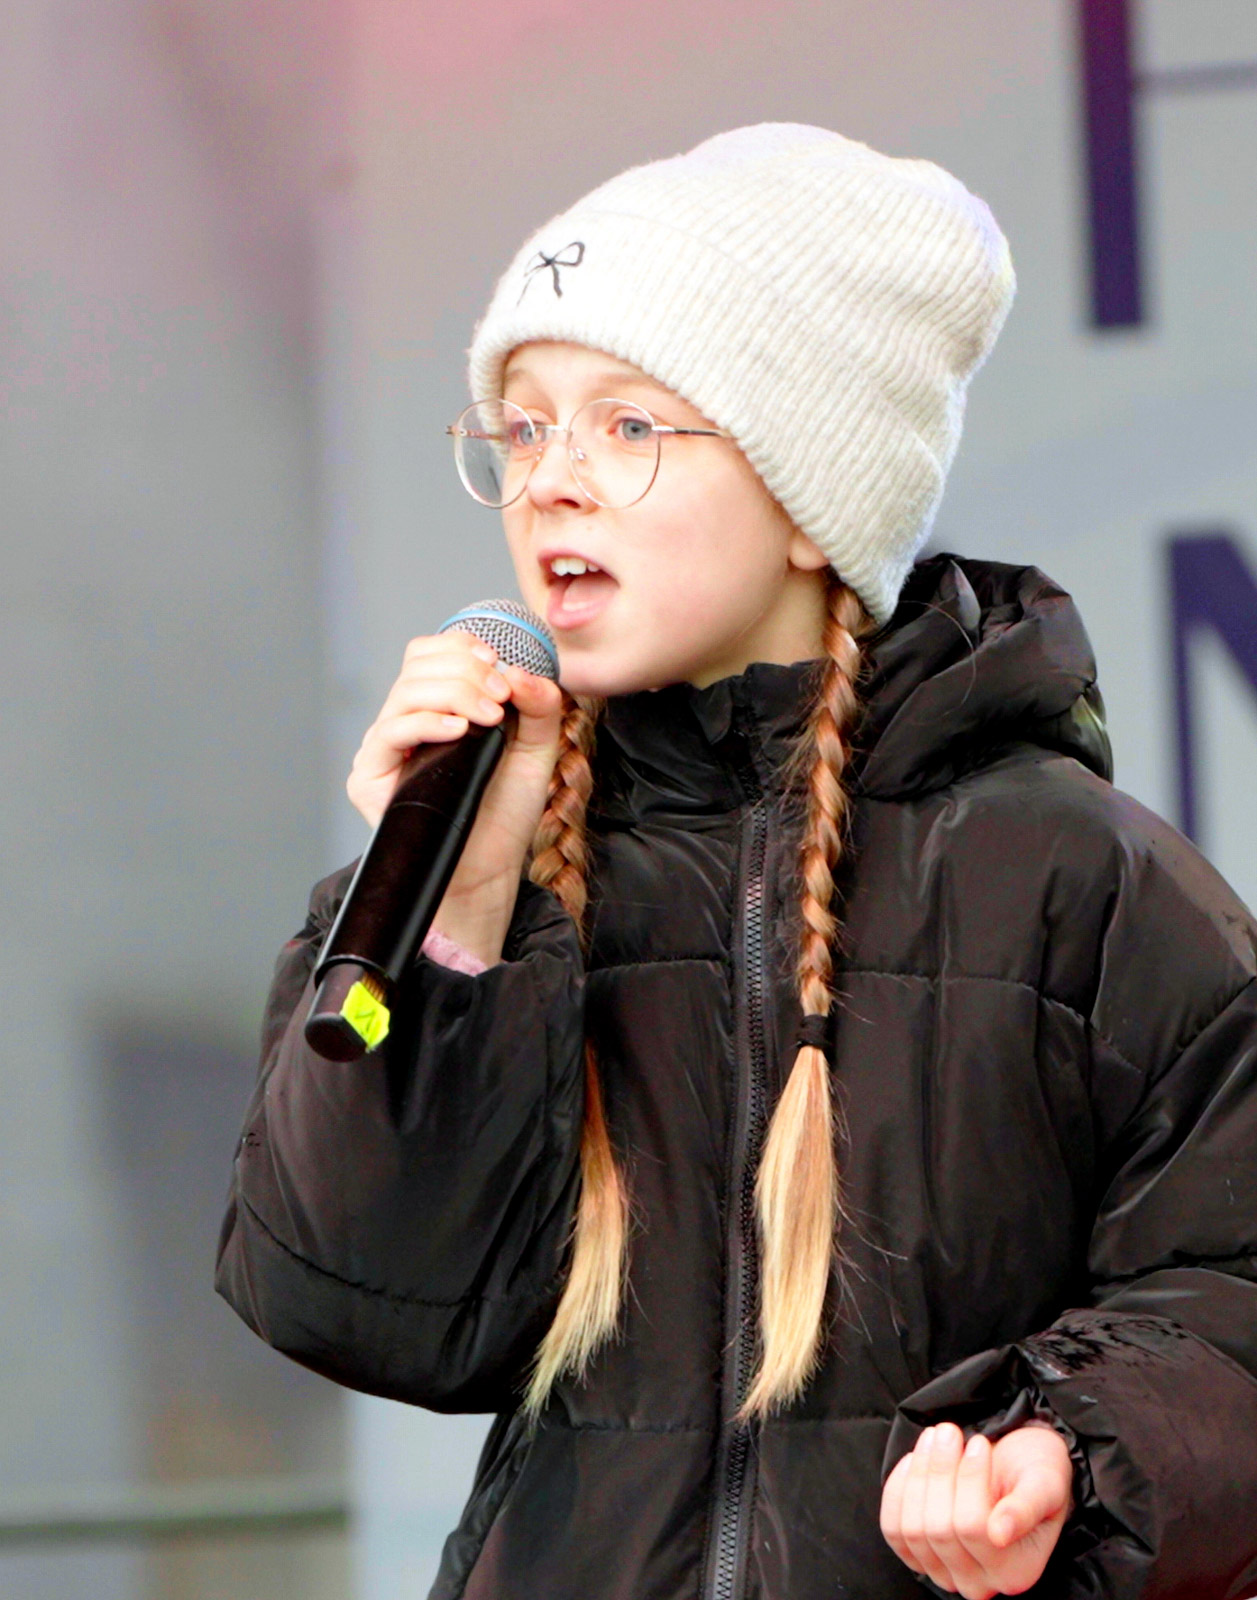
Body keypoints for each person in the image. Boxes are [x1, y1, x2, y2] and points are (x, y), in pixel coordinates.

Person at [216, 125, 1257, 1599]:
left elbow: (1231, 1290)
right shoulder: (508, 863)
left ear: (810, 493)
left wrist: (1070, 1451)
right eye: (523, 429)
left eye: (629, 425)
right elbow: (361, 1302)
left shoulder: (1075, 879)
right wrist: (458, 917)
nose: (552, 481)